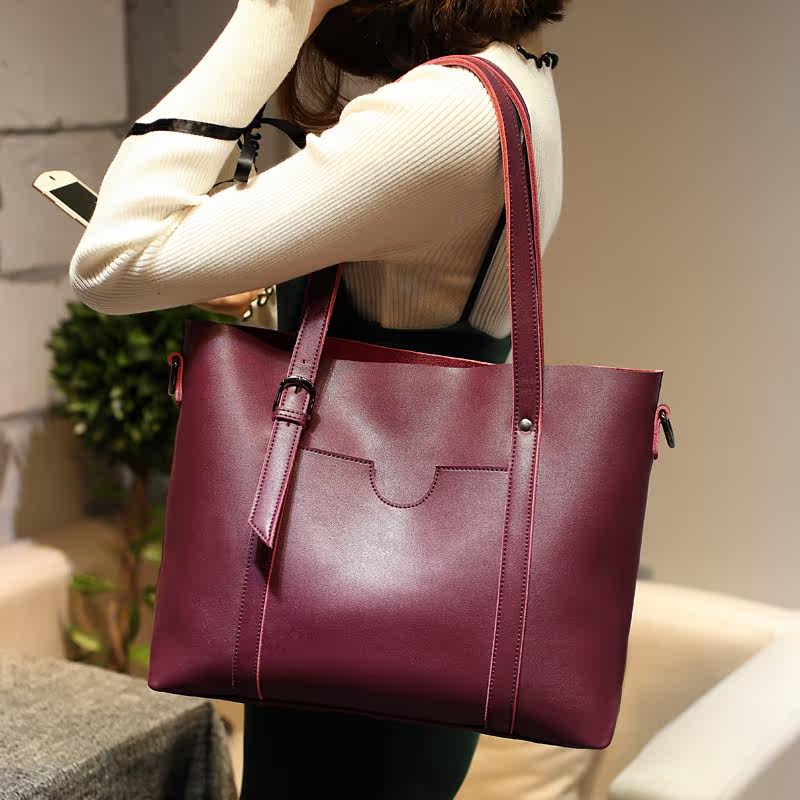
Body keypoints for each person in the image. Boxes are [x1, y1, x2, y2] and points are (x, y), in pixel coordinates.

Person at [68, 0, 567, 796]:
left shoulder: (441, 113)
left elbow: (112, 258)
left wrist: (275, 11)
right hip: (401, 601)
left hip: (351, 612)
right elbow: (410, 285)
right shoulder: (513, 74)